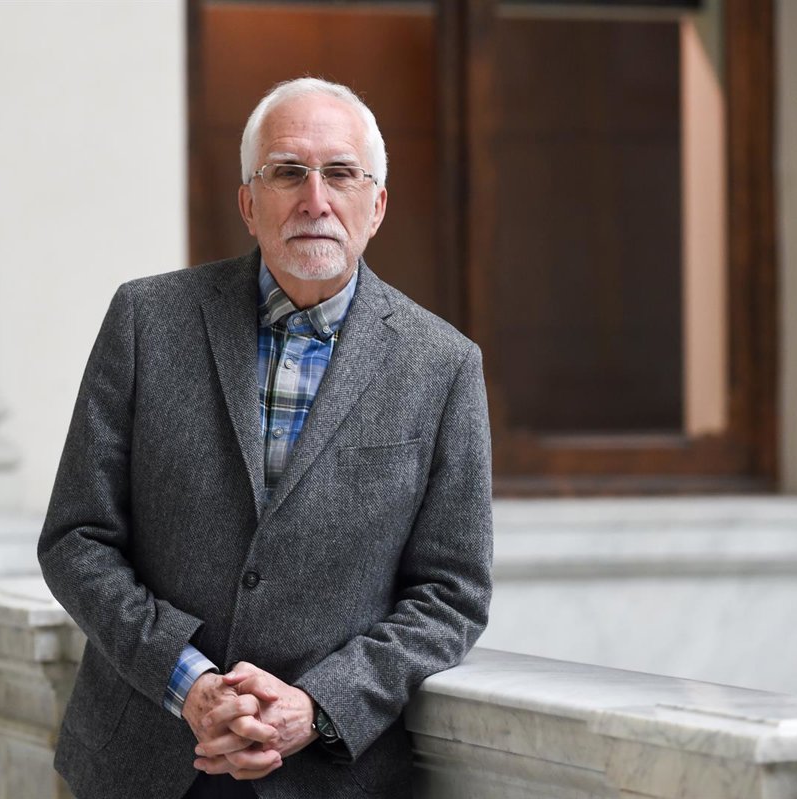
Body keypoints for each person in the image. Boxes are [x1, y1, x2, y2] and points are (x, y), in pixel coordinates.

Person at [38, 77, 492, 799]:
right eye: (287, 172)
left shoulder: (443, 365)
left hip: (328, 774)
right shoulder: (147, 320)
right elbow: (76, 538)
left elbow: (451, 594)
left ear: (376, 205)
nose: (315, 199)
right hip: (143, 761)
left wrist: (317, 707)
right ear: (249, 203)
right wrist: (189, 681)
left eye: (340, 173)